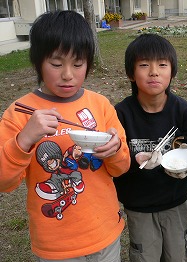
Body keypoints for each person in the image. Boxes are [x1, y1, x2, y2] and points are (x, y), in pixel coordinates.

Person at [0, 10, 131, 261]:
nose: (68, 74)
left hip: (105, 233)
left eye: (78, 64)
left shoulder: (100, 105)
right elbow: (3, 182)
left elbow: (122, 167)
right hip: (56, 245)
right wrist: (24, 140)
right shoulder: (19, 113)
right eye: (57, 64)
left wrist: (114, 150)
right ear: (38, 62)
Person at [113, 33, 187, 261]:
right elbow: (114, 161)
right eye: (144, 65)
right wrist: (136, 162)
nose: (154, 71)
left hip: (175, 200)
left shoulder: (183, 111)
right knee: (145, 254)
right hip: (138, 204)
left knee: (176, 254)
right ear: (131, 74)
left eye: (162, 65)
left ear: (172, 71)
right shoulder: (120, 114)